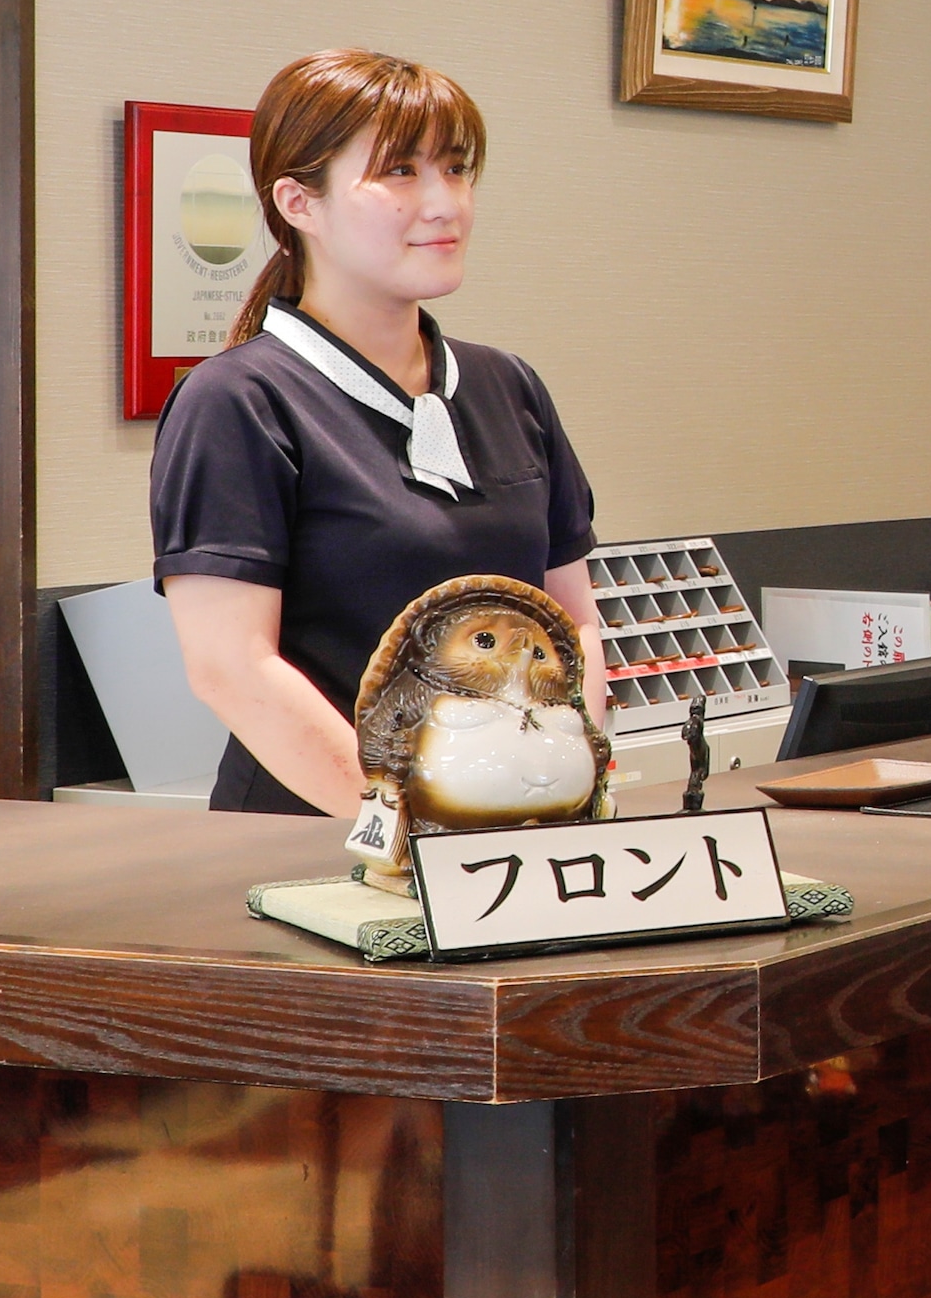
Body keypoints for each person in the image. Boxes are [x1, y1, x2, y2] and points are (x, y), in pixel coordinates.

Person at [152, 48, 604, 817]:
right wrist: (403, 822)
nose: (445, 203)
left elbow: (574, 624)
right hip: (318, 837)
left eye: (455, 169)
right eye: (400, 172)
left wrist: (566, 782)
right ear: (299, 202)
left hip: (508, 839)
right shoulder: (237, 401)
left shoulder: (509, 385)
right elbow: (232, 667)